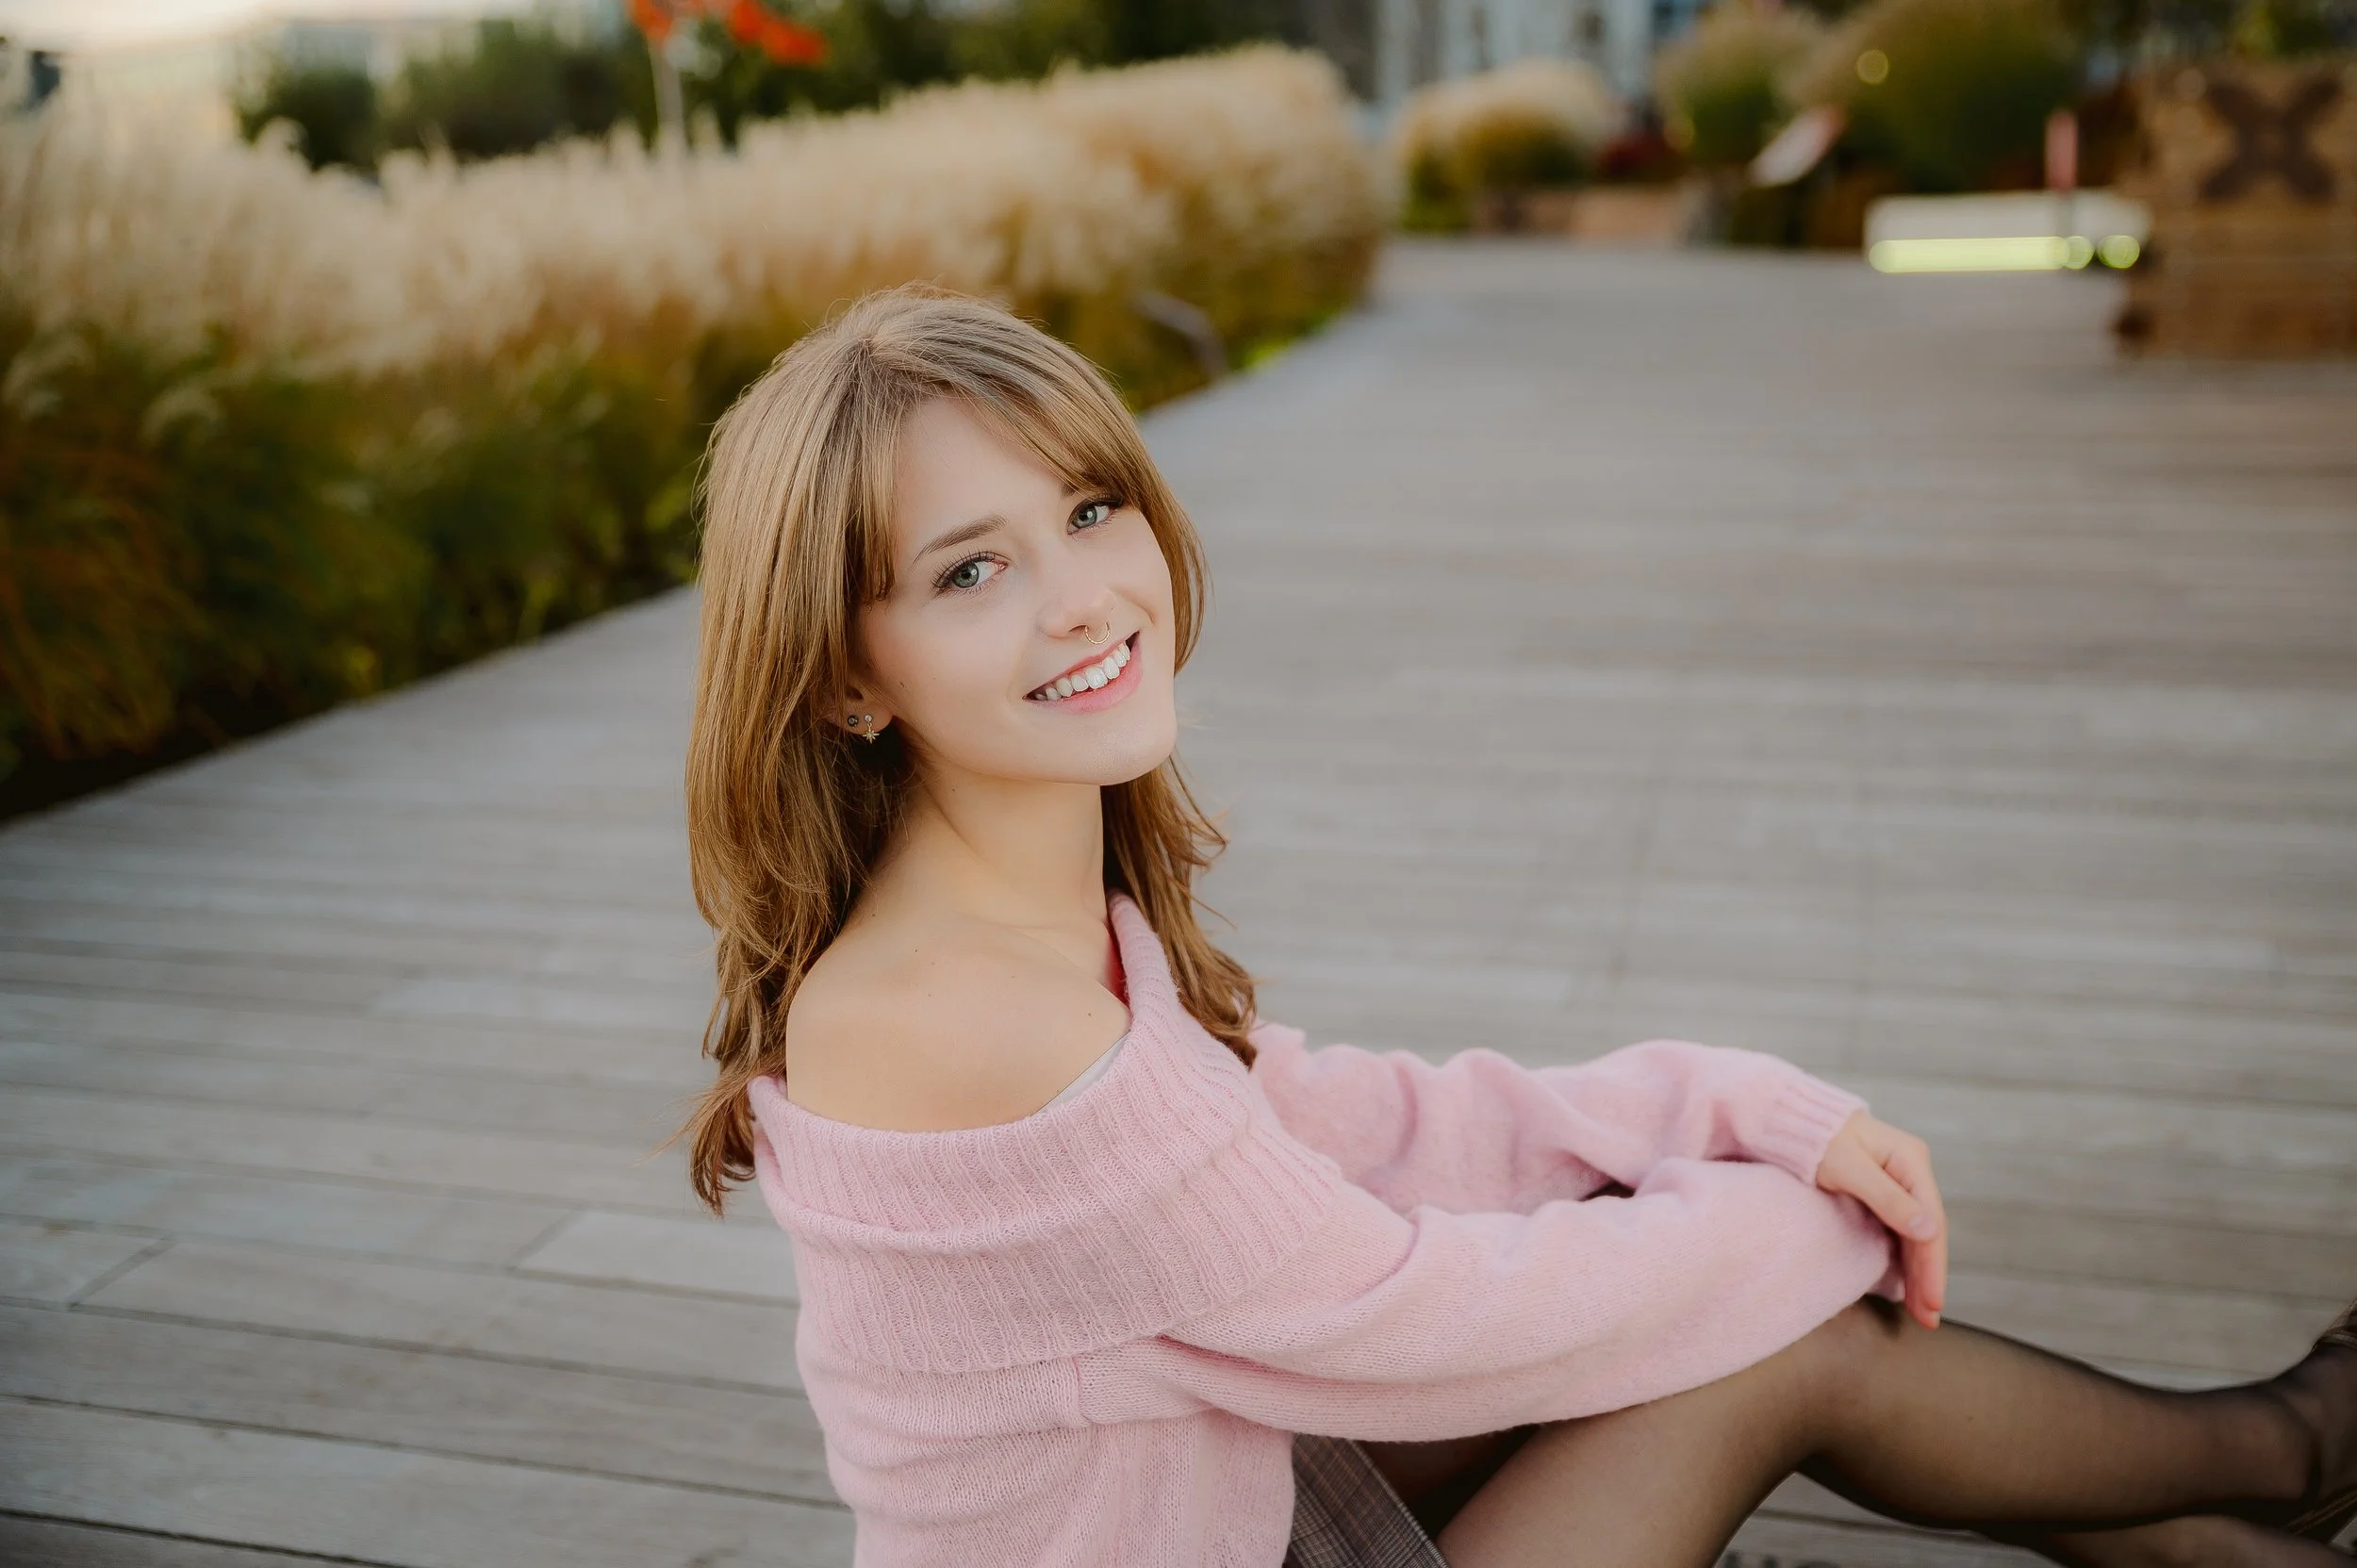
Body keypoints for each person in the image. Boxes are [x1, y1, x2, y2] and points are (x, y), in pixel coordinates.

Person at [676, 285, 2355, 1568]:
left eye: (1091, 509)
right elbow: (1403, 1315)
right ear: (843, 677)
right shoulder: (974, 1012)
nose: (1082, 596)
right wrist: (1784, 1221)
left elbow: (1328, 1120)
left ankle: (2275, 1494)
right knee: (1778, 1346)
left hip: (1226, 1509)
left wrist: (1716, 1108)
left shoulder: (1034, 916)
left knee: (1691, 1266)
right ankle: (2292, 1447)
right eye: (971, 571)